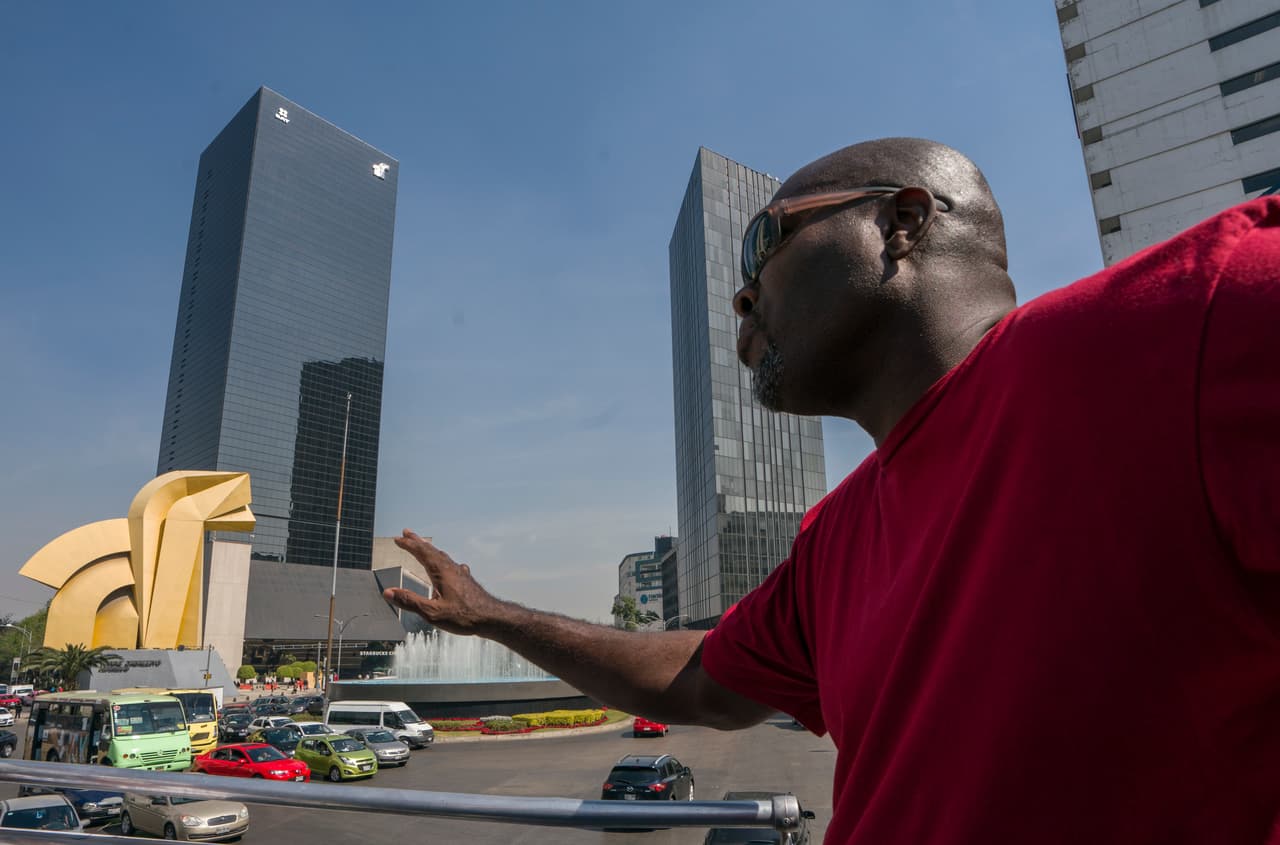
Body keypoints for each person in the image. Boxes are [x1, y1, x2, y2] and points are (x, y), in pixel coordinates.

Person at [383, 138, 1280, 844]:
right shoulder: (835, 537)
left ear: (903, 222)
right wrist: (495, 615)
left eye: (762, 246)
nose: (741, 301)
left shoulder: (1193, 322)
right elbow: (703, 682)